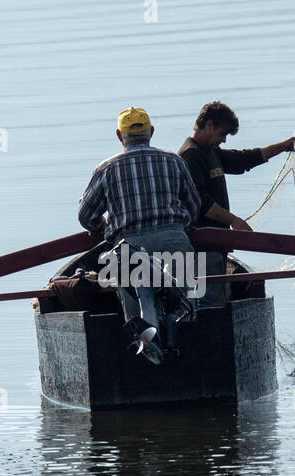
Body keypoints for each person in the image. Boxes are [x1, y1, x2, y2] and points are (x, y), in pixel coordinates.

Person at [78, 107, 203, 363]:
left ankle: (145, 350)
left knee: (134, 301)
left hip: (130, 245)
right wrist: (179, 225)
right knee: (191, 300)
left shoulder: (106, 169)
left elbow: (86, 215)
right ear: (151, 132)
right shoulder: (174, 161)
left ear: (119, 135)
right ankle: (193, 350)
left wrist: (107, 229)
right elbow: (193, 204)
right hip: (174, 239)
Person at [179, 101, 295, 306]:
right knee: (208, 305)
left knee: (214, 300)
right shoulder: (191, 155)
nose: (224, 139)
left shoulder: (211, 150)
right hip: (202, 246)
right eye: (222, 133)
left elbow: (243, 159)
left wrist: (282, 147)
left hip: (216, 244)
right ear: (209, 124)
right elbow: (201, 202)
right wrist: (234, 220)